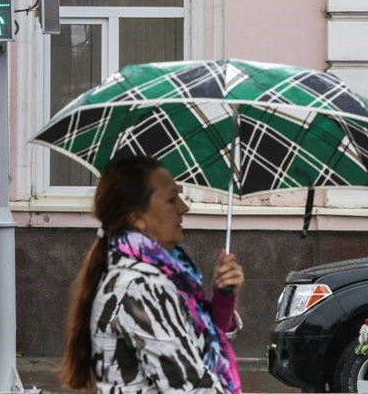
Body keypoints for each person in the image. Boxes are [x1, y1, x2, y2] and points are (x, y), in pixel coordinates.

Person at [60, 155, 245, 393]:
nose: (183, 207)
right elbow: (192, 387)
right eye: (171, 199)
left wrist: (223, 300)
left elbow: (196, 355)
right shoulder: (141, 286)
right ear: (137, 218)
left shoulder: (153, 275)